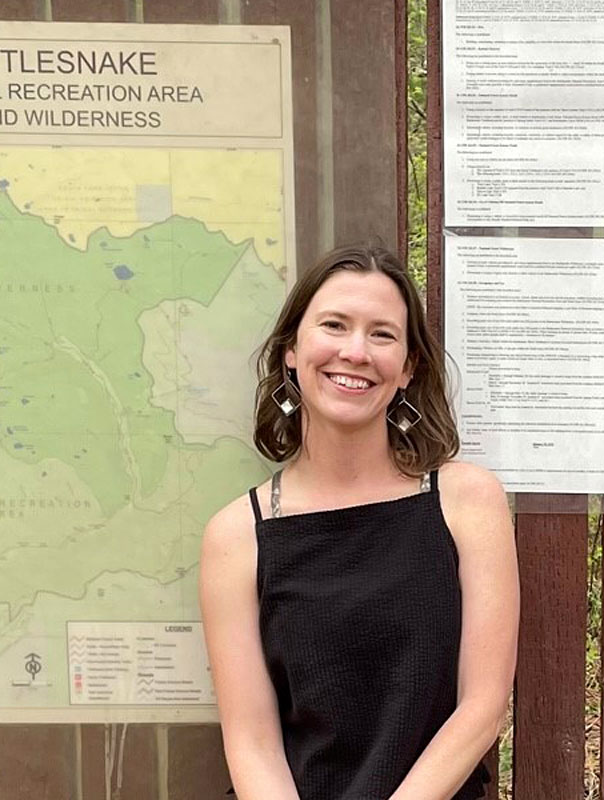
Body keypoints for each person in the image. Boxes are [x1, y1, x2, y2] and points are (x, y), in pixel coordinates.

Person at [199, 244, 519, 800]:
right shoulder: (236, 535)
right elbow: (252, 741)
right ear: (292, 352)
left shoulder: (467, 501)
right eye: (334, 325)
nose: (355, 351)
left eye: (382, 334)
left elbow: (482, 708)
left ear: (408, 368)